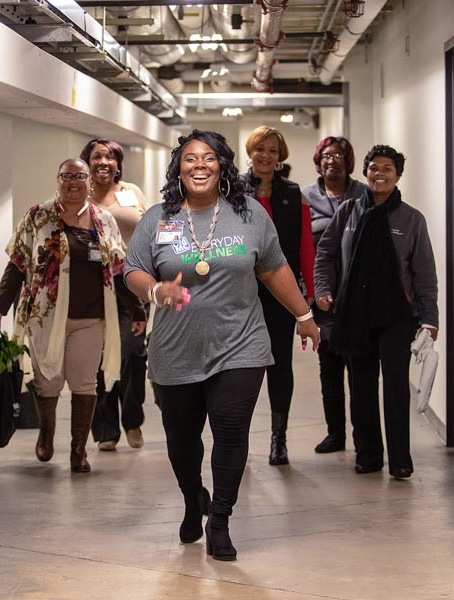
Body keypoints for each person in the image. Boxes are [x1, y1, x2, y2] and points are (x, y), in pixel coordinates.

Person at [124, 130, 319, 561]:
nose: (199, 165)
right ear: (178, 167)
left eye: (208, 158)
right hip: (176, 349)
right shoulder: (159, 218)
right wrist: (156, 291)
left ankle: (222, 520)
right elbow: (132, 269)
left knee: (231, 434)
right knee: (182, 440)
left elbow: (274, 268)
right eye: (190, 158)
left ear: (222, 166)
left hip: (241, 345)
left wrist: (303, 316)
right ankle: (194, 497)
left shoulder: (248, 214)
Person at [0, 158, 146, 473]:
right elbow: (17, 265)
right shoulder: (37, 217)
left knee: (85, 382)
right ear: (57, 180)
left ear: (89, 182)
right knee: (48, 382)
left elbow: (118, 269)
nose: (73, 182)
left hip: (91, 317)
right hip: (44, 316)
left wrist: (136, 309)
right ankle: (46, 432)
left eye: (80, 176)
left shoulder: (103, 220)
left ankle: (78, 451)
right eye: (66, 176)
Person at [314, 145, 438, 479]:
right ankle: (368, 455)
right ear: (365, 172)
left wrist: (430, 318)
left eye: (386, 168)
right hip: (355, 314)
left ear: (398, 175)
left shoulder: (411, 219)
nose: (379, 174)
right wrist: (324, 289)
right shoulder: (349, 211)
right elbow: (325, 253)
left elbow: (425, 273)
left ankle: (400, 459)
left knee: (396, 386)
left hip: (398, 316)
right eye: (373, 168)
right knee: (362, 386)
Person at [239, 126, 314, 466]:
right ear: (250, 152)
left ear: (280, 155)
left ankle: (278, 438)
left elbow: (305, 247)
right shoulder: (233, 190)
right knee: (240, 368)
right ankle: (237, 439)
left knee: (279, 364)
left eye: (272, 150)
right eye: (260, 149)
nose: (266, 156)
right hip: (240, 292)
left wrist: (307, 293)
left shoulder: (294, 193)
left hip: (281, 292)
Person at [80, 138, 149, 452]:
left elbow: (153, 228)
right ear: (88, 162)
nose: (104, 162)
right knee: (96, 357)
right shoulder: (78, 194)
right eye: (97, 157)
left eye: (110, 157)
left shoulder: (130, 192)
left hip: (132, 284)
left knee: (132, 353)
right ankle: (105, 429)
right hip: (93, 289)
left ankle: (132, 419)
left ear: (118, 163)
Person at [302, 136, 367, 454]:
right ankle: (335, 434)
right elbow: (302, 248)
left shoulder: (364, 194)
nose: (332, 160)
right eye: (326, 155)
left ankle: (362, 437)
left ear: (348, 160)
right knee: (329, 370)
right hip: (322, 292)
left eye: (339, 155)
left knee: (359, 371)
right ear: (318, 160)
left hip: (358, 295)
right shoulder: (307, 196)